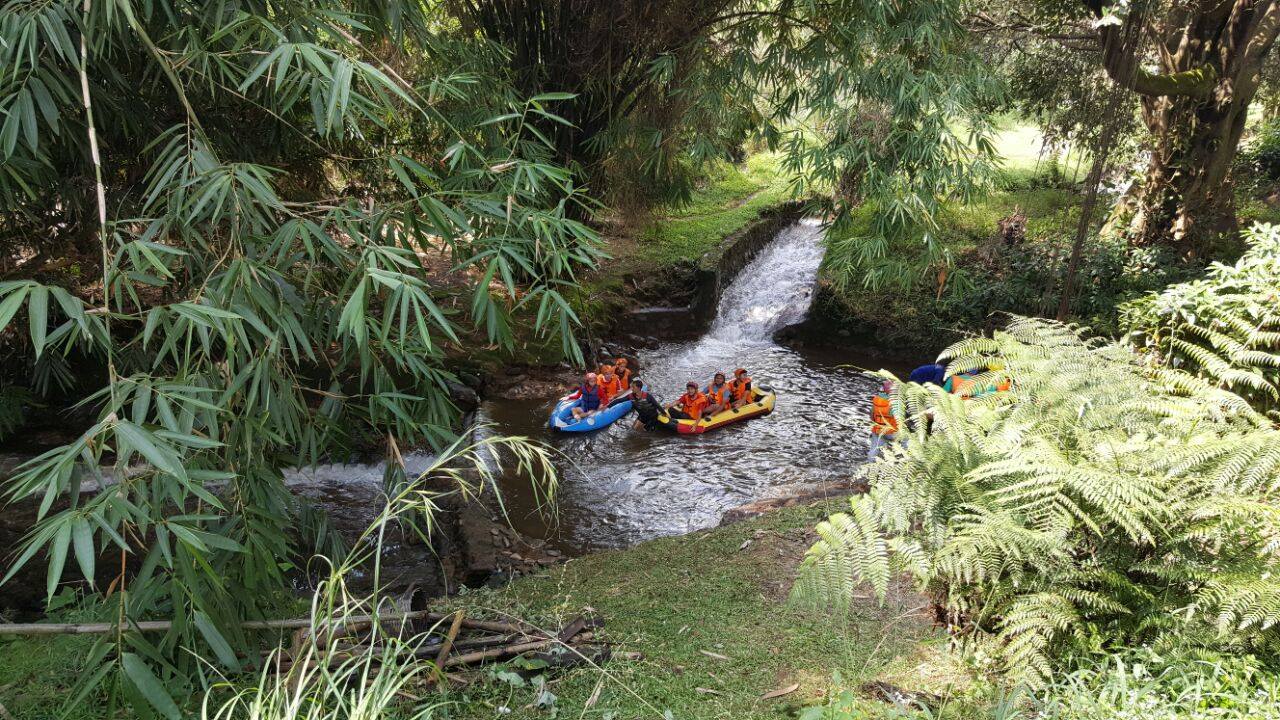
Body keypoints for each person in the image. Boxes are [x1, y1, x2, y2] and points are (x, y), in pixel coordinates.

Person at [868, 379, 899, 461]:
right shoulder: (896, 402)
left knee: (874, 449)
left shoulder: (876, 399)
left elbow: (871, 416)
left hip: (877, 430)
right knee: (907, 439)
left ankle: (869, 465)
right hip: (891, 432)